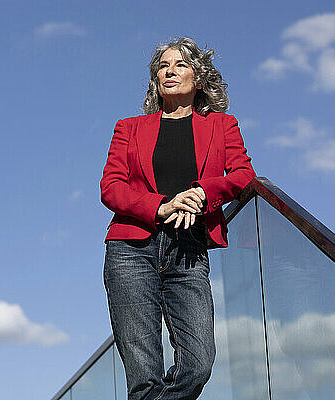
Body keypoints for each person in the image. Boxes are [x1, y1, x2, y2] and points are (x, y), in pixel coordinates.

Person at [99, 37, 256, 400]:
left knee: (199, 362)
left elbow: (243, 175)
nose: (169, 71)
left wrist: (203, 192)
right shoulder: (128, 128)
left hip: (188, 250)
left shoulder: (222, 125)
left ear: (199, 79)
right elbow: (111, 187)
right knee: (144, 378)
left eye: (180, 64)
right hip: (130, 250)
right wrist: (163, 206)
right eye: (162, 66)